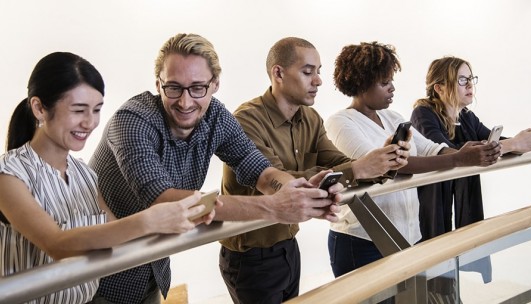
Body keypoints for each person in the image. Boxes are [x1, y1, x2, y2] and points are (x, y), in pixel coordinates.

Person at [88, 33, 342, 304]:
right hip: (94, 278)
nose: (185, 102)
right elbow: (163, 200)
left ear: (215, 84)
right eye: (173, 88)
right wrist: (274, 207)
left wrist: (295, 190)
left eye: (198, 88)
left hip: (151, 270)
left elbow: (261, 171)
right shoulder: (133, 121)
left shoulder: (216, 116)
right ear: (158, 84)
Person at [0, 52, 212, 304]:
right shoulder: (9, 174)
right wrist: (148, 220)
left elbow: (117, 237)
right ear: (39, 108)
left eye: (97, 110)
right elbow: (55, 244)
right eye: (79, 110)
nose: (90, 122)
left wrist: (182, 220)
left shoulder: (84, 175)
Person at [218, 37, 411, 304]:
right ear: (278, 73)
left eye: (318, 72)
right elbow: (274, 178)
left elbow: (338, 162)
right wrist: (355, 168)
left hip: (288, 244)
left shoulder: (311, 118)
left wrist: (382, 161)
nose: (318, 80)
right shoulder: (246, 120)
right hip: (251, 255)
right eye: (308, 72)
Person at [324, 42, 501, 303]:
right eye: (385, 82)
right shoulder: (340, 122)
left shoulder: (393, 117)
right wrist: (459, 159)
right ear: (362, 83)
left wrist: (463, 155)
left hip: (408, 235)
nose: (392, 88)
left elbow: (430, 149)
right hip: (362, 240)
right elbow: (387, 165)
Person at [410, 56, 531, 299]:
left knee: (452, 267)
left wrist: (524, 142)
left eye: (471, 79)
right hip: (430, 206)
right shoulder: (422, 114)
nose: (470, 86)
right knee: (434, 270)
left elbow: (492, 143)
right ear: (440, 87)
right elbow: (451, 154)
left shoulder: (466, 116)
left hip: (453, 202)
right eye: (462, 80)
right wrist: (512, 143)